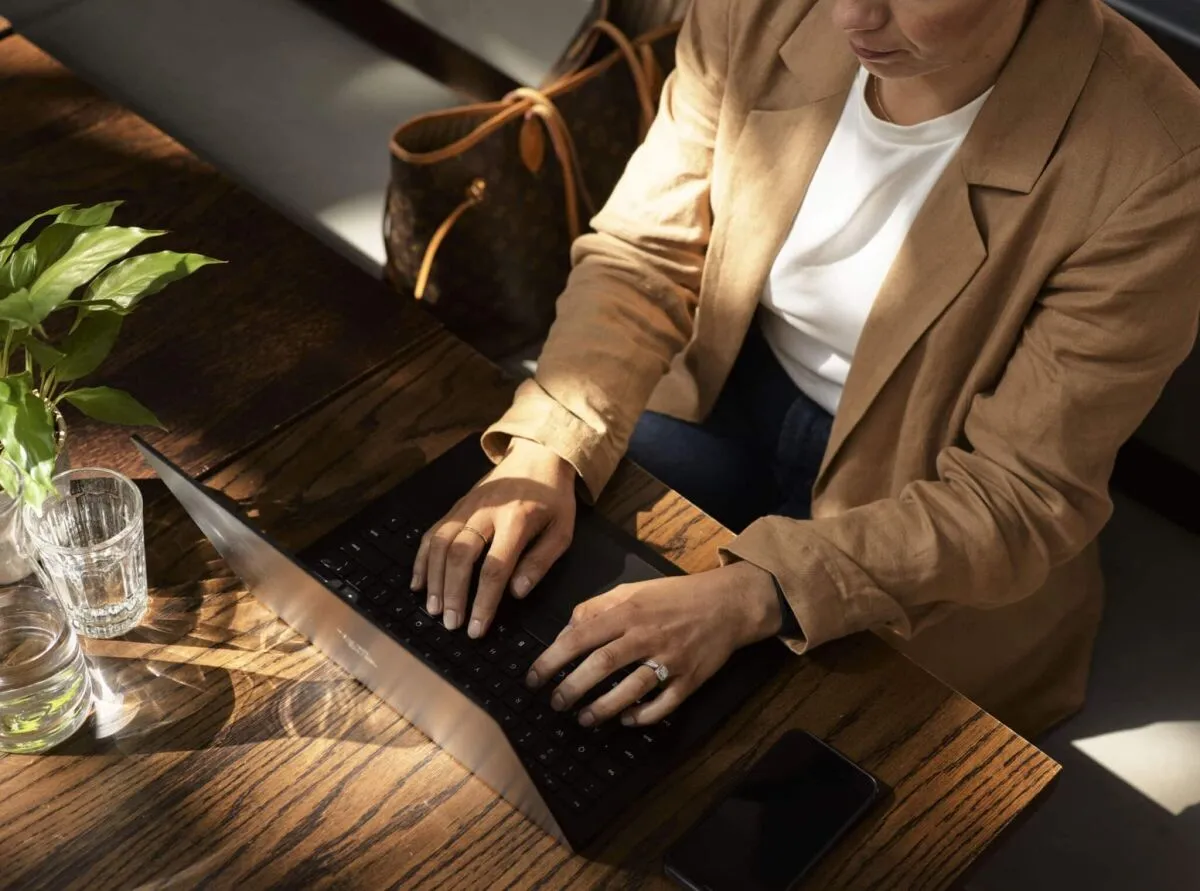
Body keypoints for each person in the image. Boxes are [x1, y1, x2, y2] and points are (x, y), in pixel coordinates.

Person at [412, 0, 1200, 737]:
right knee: (508, 633)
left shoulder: (1158, 165)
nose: (852, 15)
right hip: (730, 384)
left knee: (743, 756)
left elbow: (1017, 495)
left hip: (924, 492)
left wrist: (752, 593)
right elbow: (644, 255)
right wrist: (548, 442)